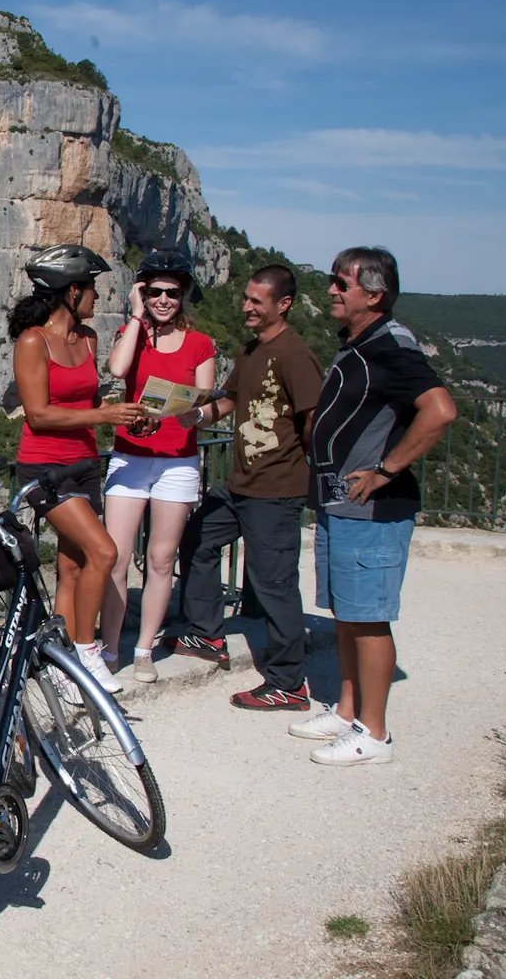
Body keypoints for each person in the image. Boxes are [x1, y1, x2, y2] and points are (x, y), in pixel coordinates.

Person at [292, 247, 457, 766]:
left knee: (370, 619)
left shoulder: (391, 347)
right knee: (347, 613)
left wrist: (387, 469)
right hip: (339, 507)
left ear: (374, 294)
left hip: (373, 512)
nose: (332, 292)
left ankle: (375, 733)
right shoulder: (358, 346)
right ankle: (346, 711)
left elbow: (440, 410)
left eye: (342, 284)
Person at [175, 264, 322, 710]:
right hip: (240, 484)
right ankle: (206, 634)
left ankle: (288, 683)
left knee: (273, 583)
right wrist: (197, 417)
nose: (246, 307)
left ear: (284, 305)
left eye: (256, 301)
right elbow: (231, 398)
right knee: (198, 538)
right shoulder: (252, 349)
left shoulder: (295, 355)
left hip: (275, 490)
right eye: (246, 298)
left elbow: (314, 419)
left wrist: (307, 465)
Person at [9, 243, 150, 695]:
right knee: (104, 553)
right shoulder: (33, 340)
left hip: (84, 464)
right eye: (91, 287)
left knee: (72, 570)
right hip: (44, 469)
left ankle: (62, 665)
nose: (96, 297)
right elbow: (40, 415)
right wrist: (103, 417)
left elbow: (88, 404)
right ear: (71, 291)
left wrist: (125, 412)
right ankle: (88, 655)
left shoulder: (86, 340)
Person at [100, 250, 217, 682]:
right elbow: (116, 369)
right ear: (142, 292)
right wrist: (134, 318)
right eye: (154, 291)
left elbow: (207, 400)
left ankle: (145, 649)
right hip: (130, 458)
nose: (163, 299)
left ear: (183, 294)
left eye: (172, 291)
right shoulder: (131, 332)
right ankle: (110, 649)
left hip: (177, 462)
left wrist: (197, 415)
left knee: (162, 558)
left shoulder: (201, 343)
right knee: (116, 558)